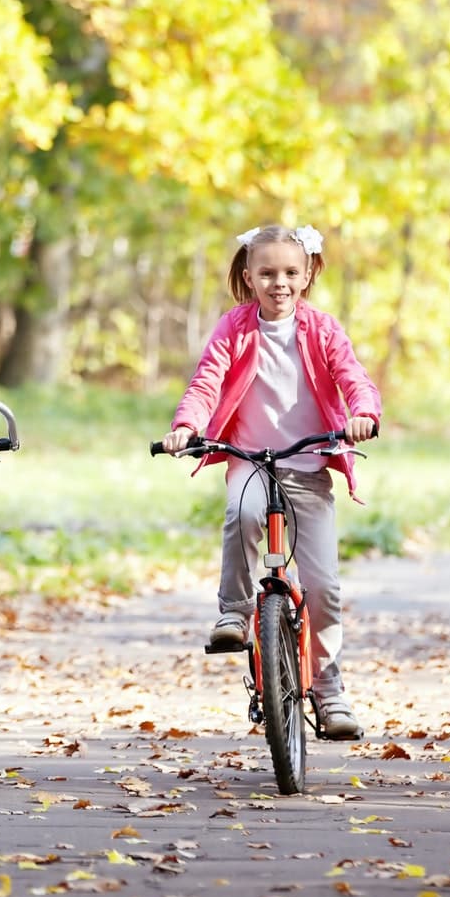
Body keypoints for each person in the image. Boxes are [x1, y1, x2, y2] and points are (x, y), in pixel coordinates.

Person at [163, 225, 382, 741]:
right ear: (248, 275)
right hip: (251, 461)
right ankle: (236, 613)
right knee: (241, 513)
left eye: (289, 272)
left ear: (306, 274)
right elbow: (206, 382)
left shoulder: (323, 330)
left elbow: (354, 378)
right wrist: (185, 426)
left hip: (307, 469)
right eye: (266, 273)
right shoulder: (235, 328)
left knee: (323, 586)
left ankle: (329, 691)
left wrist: (363, 413)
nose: (278, 282)